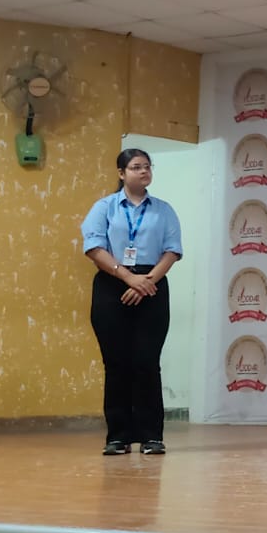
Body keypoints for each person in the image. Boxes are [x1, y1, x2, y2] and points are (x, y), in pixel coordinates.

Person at [81, 148, 182, 456]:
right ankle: (118, 436)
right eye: (136, 167)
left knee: (147, 362)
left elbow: (172, 251)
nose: (144, 171)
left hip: (152, 285)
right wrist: (128, 278)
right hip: (112, 284)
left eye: (147, 166)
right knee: (116, 363)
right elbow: (94, 247)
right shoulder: (104, 207)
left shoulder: (163, 210)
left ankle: (152, 436)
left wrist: (146, 282)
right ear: (121, 173)